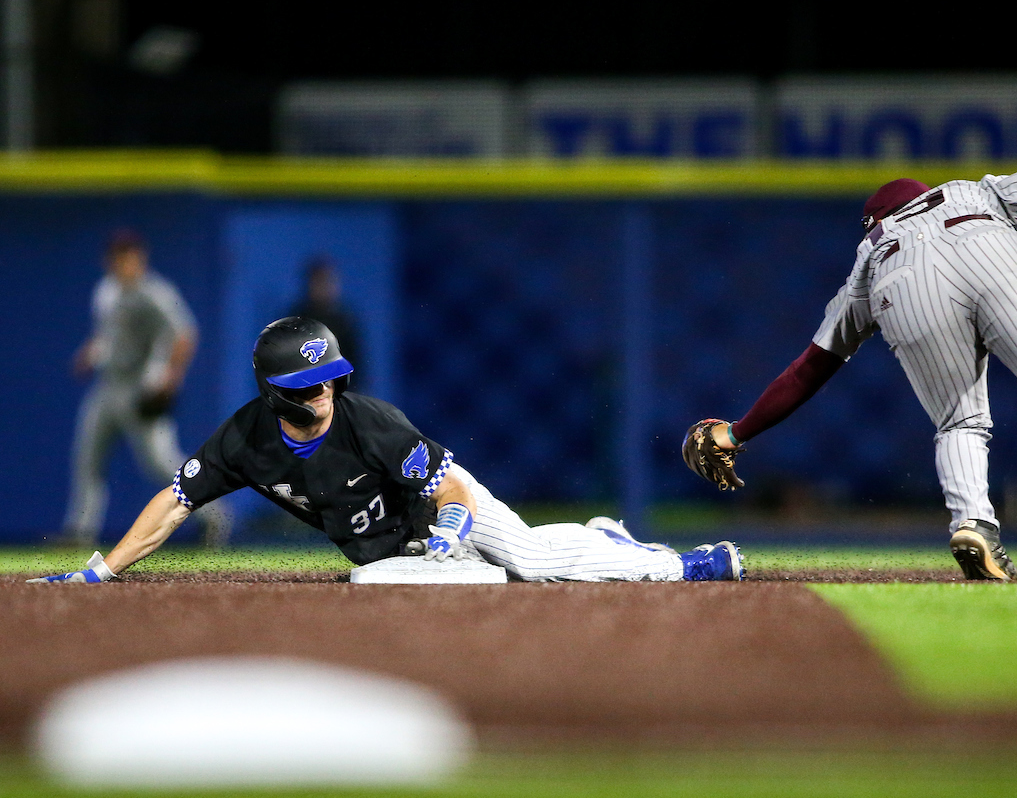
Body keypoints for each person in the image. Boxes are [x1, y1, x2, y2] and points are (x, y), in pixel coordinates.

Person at [683, 161, 1017, 580]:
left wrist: (737, 431)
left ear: (872, 221)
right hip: (984, 239)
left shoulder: (869, 254)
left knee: (960, 421)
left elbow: (809, 368)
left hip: (900, 280)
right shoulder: (971, 190)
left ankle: (974, 525)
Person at [31, 317, 742, 583]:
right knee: (385, 581)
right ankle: (600, 538)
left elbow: (449, 488)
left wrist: (454, 524)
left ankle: (686, 564)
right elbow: (176, 500)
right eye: (306, 384)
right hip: (389, 552)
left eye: (328, 379)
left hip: (444, 515)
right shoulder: (244, 439)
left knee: (530, 563)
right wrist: (102, 570)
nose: (322, 391)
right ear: (275, 391)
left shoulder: (369, 422)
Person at [61, 229, 230, 547]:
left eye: (128, 255)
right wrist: (90, 353)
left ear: (140, 257)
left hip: (140, 388)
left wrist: (172, 377)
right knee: (87, 458)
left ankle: (213, 515)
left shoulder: (155, 293)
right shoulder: (106, 291)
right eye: (117, 256)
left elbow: (185, 333)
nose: (123, 261)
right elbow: (107, 336)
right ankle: (79, 531)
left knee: (159, 462)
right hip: (107, 385)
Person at [291, 257, 364, 389]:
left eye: (328, 281)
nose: (324, 287)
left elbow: (355, 365)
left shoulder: (344, 322)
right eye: (319, 281)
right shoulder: (295, 321)